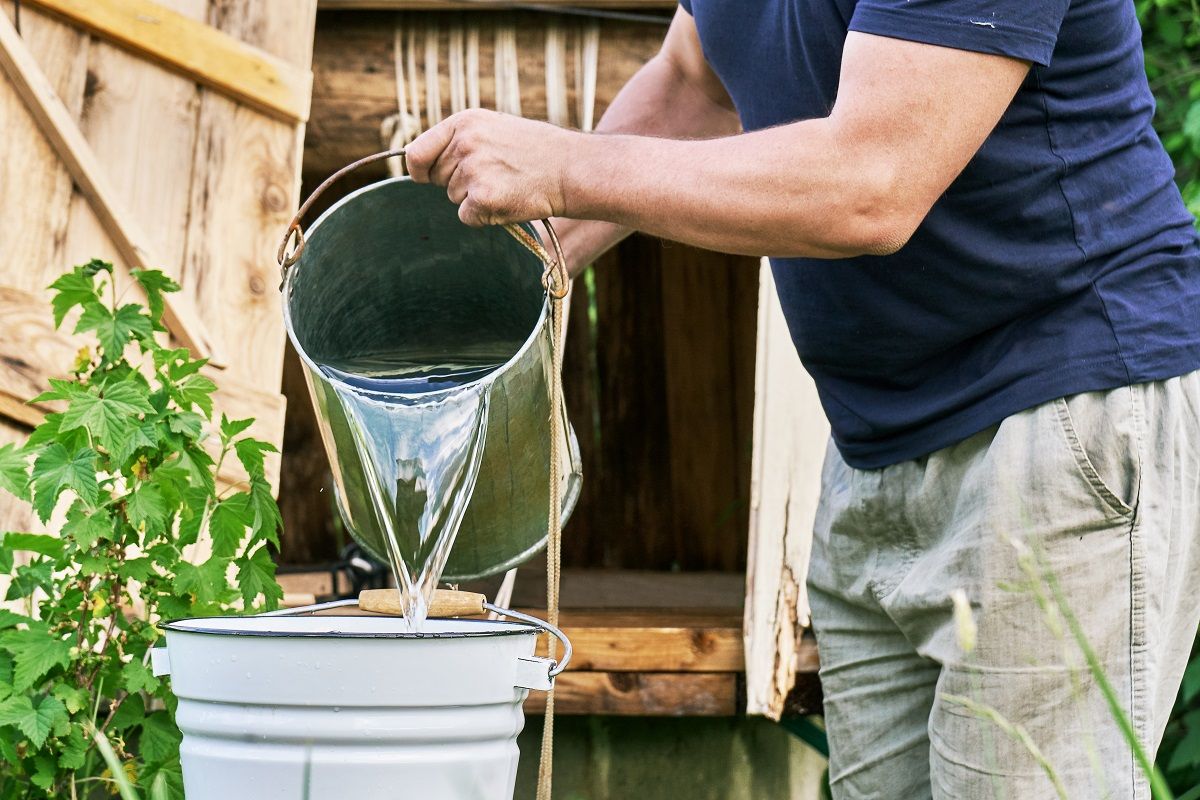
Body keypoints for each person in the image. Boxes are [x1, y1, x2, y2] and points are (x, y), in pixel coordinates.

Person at [404, 2, 1200, 797]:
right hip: (872, 440)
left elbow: (872, 183)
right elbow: (695, 81)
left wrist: (567, 166)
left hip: (1060, 418)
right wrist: (529, 268)